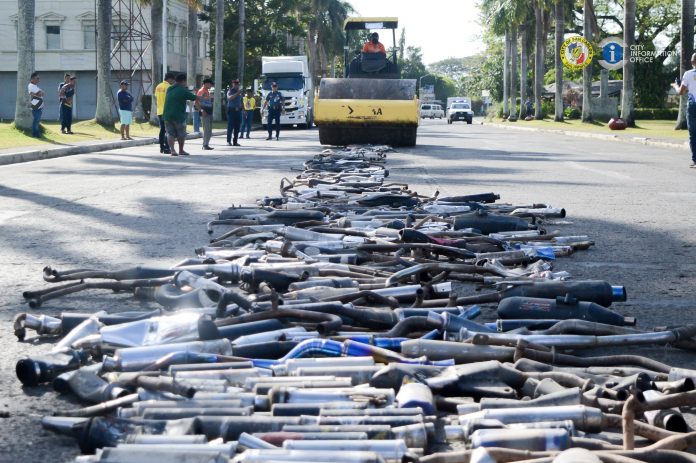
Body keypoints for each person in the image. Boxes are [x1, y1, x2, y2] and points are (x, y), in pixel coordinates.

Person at [163, 73, 199, 156]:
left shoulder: (169, 89)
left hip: (167, 115)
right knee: (181, 133)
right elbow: (194, 97)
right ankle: (181, 150)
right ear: (183, 81)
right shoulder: (182, 90)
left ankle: (172, 150)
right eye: (185, 82)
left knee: (170, 133)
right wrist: (203, 97)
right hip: (178, 115)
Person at [674, 53, 696, 168]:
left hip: (693, 105)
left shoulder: (688, 74)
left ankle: (695, 160)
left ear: (692, 62)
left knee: (693, 133)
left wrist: (675, 86)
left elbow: (681, 92)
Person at [155, 72, 175, 154]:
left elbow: (156, 98)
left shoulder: (158, 86)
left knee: (162, 130)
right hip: (167, 111)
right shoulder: (169, 87)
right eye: (172, 80)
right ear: (169, 79)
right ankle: (167, 148)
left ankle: (161, 147)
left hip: (160, 111)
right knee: (168, 130)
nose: (173, 81)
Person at [197, 78, 214, 150]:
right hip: (205, 113)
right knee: (206, 130)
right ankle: (205, 145)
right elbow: (196, 102)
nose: (211, 85)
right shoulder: (201, 91)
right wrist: (201, 110)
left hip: (209, 113)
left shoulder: (207, 91)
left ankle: (206, 144)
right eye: (210, 84)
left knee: (209, 131)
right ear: (206, 84)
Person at [226, 79, 243, 146]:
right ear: (233, 84)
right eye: (235, 83)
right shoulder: (230, 91)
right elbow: (229, 98)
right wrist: (237, 93)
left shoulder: (239, 92)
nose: (236, 85)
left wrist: (243, 109)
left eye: (237, 84)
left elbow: (240, 101)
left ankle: (235, 141)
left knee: (237, 127)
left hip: (238, 111)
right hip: (232, 111)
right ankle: (228, 141)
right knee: (230, 126)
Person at [28, 72, 44, 138]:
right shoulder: (31, 85)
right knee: (36, 120)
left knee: (37, 120)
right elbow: (40, 93)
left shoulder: (35, 86)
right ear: (32, 79)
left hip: (38, 106)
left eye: (38, 78)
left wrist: (39, 93)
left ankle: (36, 133)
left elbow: (42, 93)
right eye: (37, 78)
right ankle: (35, 134)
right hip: (36, 106)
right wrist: (39, 93)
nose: (38, 80)